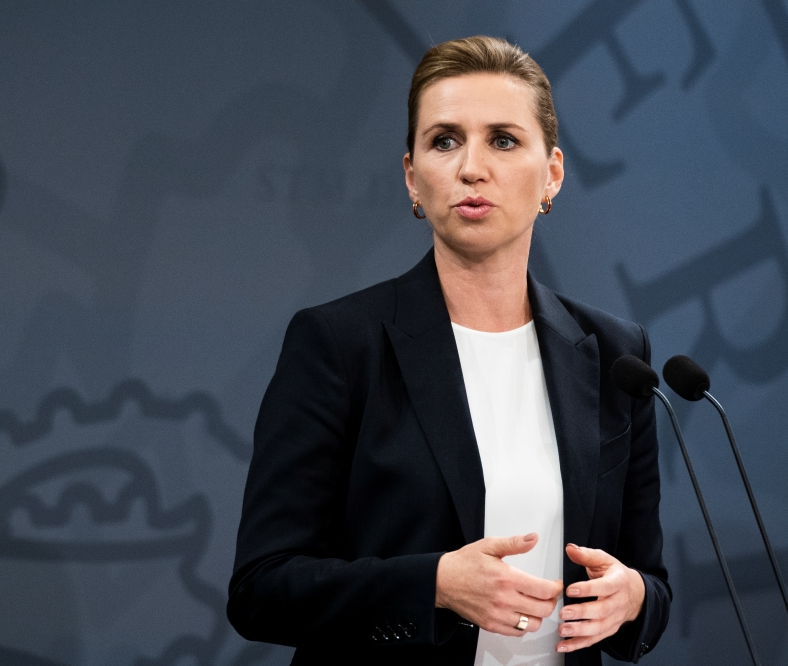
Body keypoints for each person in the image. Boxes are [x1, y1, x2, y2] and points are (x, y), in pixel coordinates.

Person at [227, 36, 670, 666]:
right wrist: (433, 586)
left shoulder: (615, 355)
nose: (471, 168)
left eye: (503, 140)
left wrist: (632, 600)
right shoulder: (339, 344)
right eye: (444, 140)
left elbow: (649, 580)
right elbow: (261, 590)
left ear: (553, 174)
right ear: (412, 176)